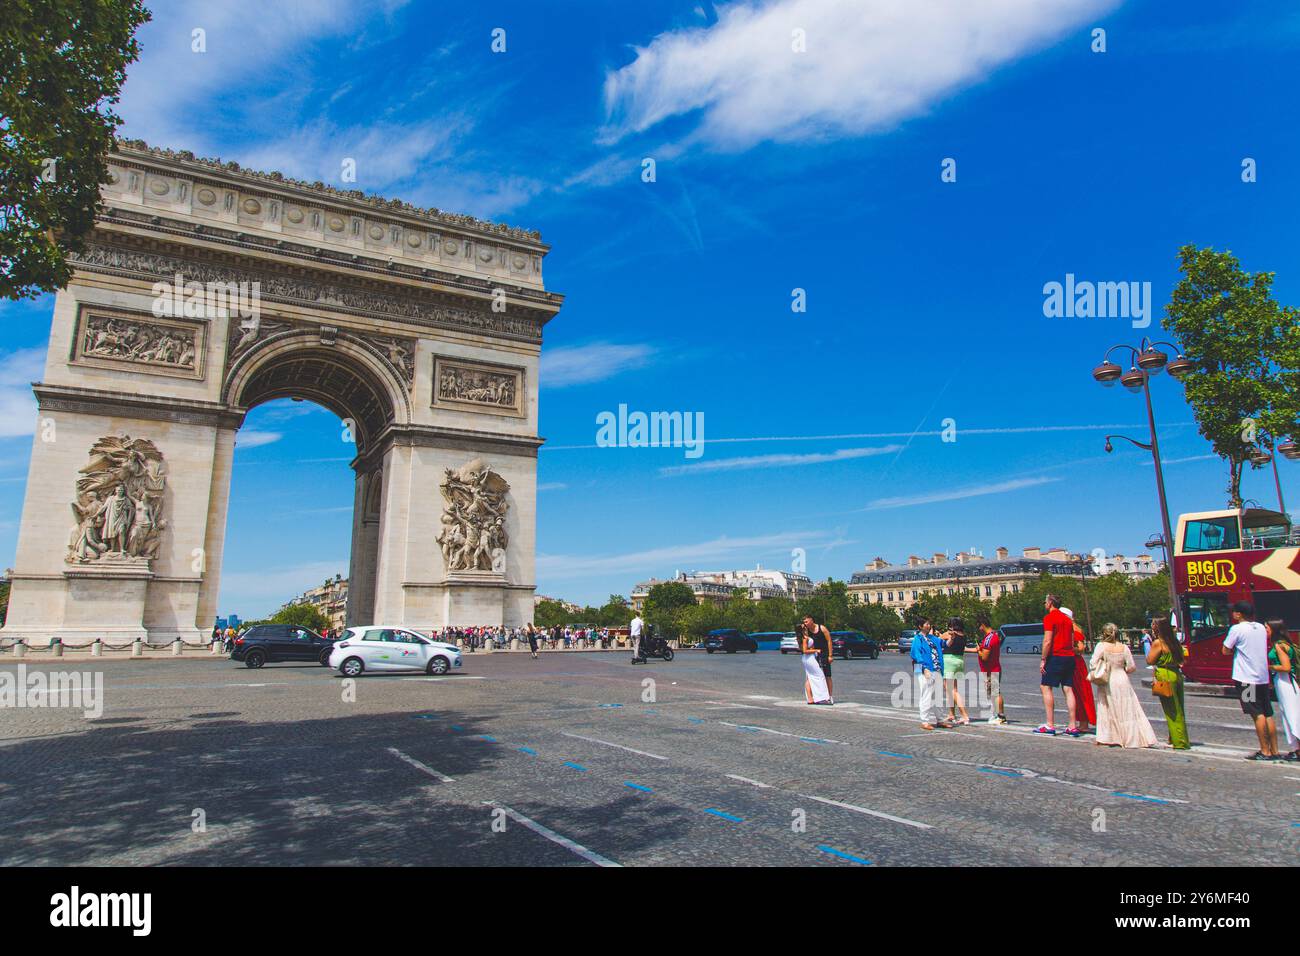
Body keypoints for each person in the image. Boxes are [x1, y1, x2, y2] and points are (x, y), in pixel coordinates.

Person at [1222, 601, 1278, 760]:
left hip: (1245, 678)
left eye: (1234, 612)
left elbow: (1225, 650)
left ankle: (1264, 751)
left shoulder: (1236, 629)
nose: (1233, 614)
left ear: (1239, 614)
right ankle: (1274, 749)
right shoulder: (1260, 627)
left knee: (1256, 713)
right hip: (1262, 677)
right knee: (1268, 713)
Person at [1090, 623, 1157, 748]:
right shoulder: (1124, 647)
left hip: (1109, 679)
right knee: (1128, 709)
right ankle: (1131, 738)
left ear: (1104, 633)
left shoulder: (1101, 646)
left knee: (1107, 708)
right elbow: (1131, 666)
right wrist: (1122, 670)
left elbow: (1093, 663)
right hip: (1122, 678)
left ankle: (1108, 737)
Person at [1037, 593, 1079, 736]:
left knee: (1045, 687)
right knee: (1068, 689)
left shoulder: (1049, 618)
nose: (1044, 604)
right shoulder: (1067, 620)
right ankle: (1072, 725)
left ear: (1050, 603)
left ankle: (1050, 724)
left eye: (1045, 602)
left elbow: (1047, 640)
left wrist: (1043, 659)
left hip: (1056, 656)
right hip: (1069, 656)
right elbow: (1072, 640)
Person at [1266, 619, 1299, 761]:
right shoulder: (1284, 644)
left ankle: (1298, 749)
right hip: (1284, 682)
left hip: (1286, 683)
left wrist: (1269, 667)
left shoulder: (1279, 646)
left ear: (1274, 629)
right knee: (1289, 715)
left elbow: (1285, 667)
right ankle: (1296, 749)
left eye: (1267, 628)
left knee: (1292, 715)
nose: (1265, 631)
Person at [1063, 608, 1095, 734]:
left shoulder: (1074, 629)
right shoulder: (1073, 628)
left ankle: (1083, 723)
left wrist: (1066, 647)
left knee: (1080, 692)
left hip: (1076, 663)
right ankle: (1082, 722)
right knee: (1077, 693)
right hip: (1075, 662)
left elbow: (1080, 648)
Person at [911, 617, 947, 729]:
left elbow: (944, 644)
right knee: (926, 694)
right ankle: (924, 721)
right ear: (920, 626)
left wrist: (952, 637)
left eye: (929, 624)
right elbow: (916, 654)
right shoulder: (918, 639)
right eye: (926, 624)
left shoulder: (932, 638)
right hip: (924, 669)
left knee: (938, 695)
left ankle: (940, 720)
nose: (928, 626)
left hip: (936, 668)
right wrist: (924, 668)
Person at [976, 616, 1006, 724]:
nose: (979, 629)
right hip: (994, 668)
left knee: (995, 693)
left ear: (983, 625)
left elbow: (984, 656)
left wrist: (978, 650)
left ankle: (1001, 716)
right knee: (994, 693)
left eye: (979, 626)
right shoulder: (994, 635)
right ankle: (996, 714)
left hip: (991, 670)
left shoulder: (989, 638)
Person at [941, 617, 970, 725]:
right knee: (952, 689)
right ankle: (951, 714)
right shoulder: (963, 635)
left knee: (951, 689)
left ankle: (964, 715)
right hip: (959, 661)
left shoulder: (950, 633)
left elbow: (940, 637)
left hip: (949, 661)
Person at [797, 620, 831, 705]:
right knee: (820, 676)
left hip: (808, 658)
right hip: (809, 658)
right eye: (804, 627)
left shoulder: (803, 637)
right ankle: (821, 697)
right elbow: (805, 650)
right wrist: (816, 650)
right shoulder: (805, 638)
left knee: (810, 677)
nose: (805, 627)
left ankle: (810, 698)